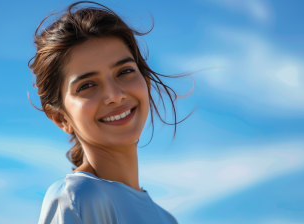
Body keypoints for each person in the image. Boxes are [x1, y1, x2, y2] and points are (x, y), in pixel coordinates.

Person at [29, 1, 192, 223]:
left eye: (125, 71)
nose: (115, 95)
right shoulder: (77, 198)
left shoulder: (166, 219)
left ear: (147, 84)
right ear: (61, 118)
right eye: (87, 85)